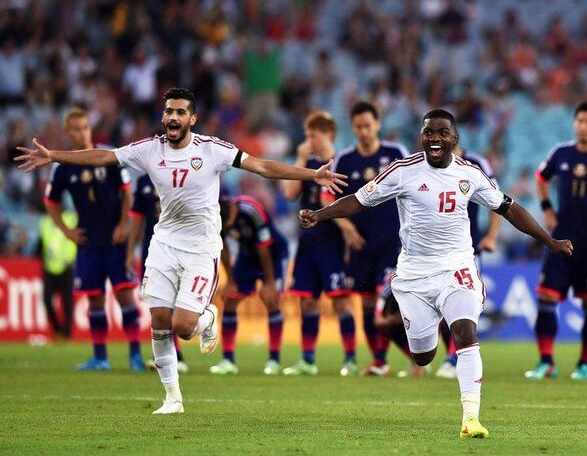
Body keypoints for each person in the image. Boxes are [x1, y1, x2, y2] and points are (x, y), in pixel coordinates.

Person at [16, 87, 346, 414]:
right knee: (159, 320)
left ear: (192, 118)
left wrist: (311, 175)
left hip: (202, 248)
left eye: (180, 112)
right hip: (164, 244)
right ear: (164, 116)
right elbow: (103, 155)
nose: (173, 117)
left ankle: (207, 316)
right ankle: (173, 398)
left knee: (183, 325)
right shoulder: (149, 149)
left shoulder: (213, 150)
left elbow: (262, 166)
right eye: (169, 111)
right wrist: (53, 156)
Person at [298, 109, 573, 438]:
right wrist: (320, 214)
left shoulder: (470, 174)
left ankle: (470, 418)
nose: (435, 139)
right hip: (414, 274)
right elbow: (359, 200)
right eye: (429, 133)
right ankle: (429, 341)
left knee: (465, 332)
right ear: (421, 137)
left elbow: (509, 208)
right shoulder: (402, 171)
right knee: (423, 356)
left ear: (454, 139)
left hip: (457, 267)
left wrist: (550, 241)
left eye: (443, 133)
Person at [42, 107, 143, 371]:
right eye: (76, 129)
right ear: (68, 132)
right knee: (95, 299)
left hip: (115, 240)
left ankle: (135, 356)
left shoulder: (108, 156)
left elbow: (127, 193)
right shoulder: (62, 167)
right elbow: (50, 201)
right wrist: (66, 231)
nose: (82, 132)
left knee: (125, 298)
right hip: (88, 242)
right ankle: (100, 358)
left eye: (85, 127)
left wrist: (123, 224)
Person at [527, 101, 587, 381]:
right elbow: (541, 178)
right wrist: (546, 207)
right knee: (546, 296)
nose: (584, 125)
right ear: (574, 123)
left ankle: (584, 363)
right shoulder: (561, 153)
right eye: (580, 120)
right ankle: (546, 361)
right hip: (559, 238)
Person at [330, 102, 408, 377]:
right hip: (360, 245)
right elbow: (331, 198)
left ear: (378, 124)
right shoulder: (344, 160)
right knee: (363, 302)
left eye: (368, 125)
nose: (363, 131)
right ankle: (378, 360)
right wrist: (346, 227)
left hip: (391, 244)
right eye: (358, 127)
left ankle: (409, 356)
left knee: (383, 302)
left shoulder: (395, 153)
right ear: (353, 128)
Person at [282, 111, 358, 377]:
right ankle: (307, 359)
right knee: (307, 303)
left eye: (312, 135)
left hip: (332, 244)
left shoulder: (343, 163)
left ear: (328, 134)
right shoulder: (310, 165)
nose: (309, 141)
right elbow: (290, 194)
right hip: (307, 244)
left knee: (340, 303)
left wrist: (347, 229)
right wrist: (302, 158)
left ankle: (350, 358)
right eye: (307, 136)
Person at [432, 144, 501, 380]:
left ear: (453, 136)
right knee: (439, 310)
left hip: (466, 249)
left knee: (461, 305)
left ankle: (453, 358)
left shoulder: (476, 164)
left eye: (443, 133)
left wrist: (491, 236)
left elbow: (497, 202)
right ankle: (452, 356)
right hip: (432, 252)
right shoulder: (424, 164)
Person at [210, 195, 289, 376]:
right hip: (247, 256)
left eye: (229, 224)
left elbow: (264, 247)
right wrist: (230, 280)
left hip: (273, 254)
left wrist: (269, 283)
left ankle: (274, 360)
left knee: (271, 301)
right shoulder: (216, 214)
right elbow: (222, 247)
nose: (229, 228)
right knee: (230, 299)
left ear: (233, 212)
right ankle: (228, 360)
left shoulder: (251, 210)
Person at [127, 173, 188, 373]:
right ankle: (167, 356)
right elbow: (137, 218)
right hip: (152, 250)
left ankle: (176, 354)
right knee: (159, 303)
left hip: (181, 246)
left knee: (177, 304)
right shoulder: (144, 180)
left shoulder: (184, 172)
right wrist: (130, 252)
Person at [38, 209, 78, 340]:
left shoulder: (71, 219)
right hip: (50, 268)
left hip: (67, 267)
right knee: (46, 299)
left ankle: (66, 333)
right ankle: (57, 330)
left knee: (67, 301)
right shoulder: (44, 223)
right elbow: (40, 245)